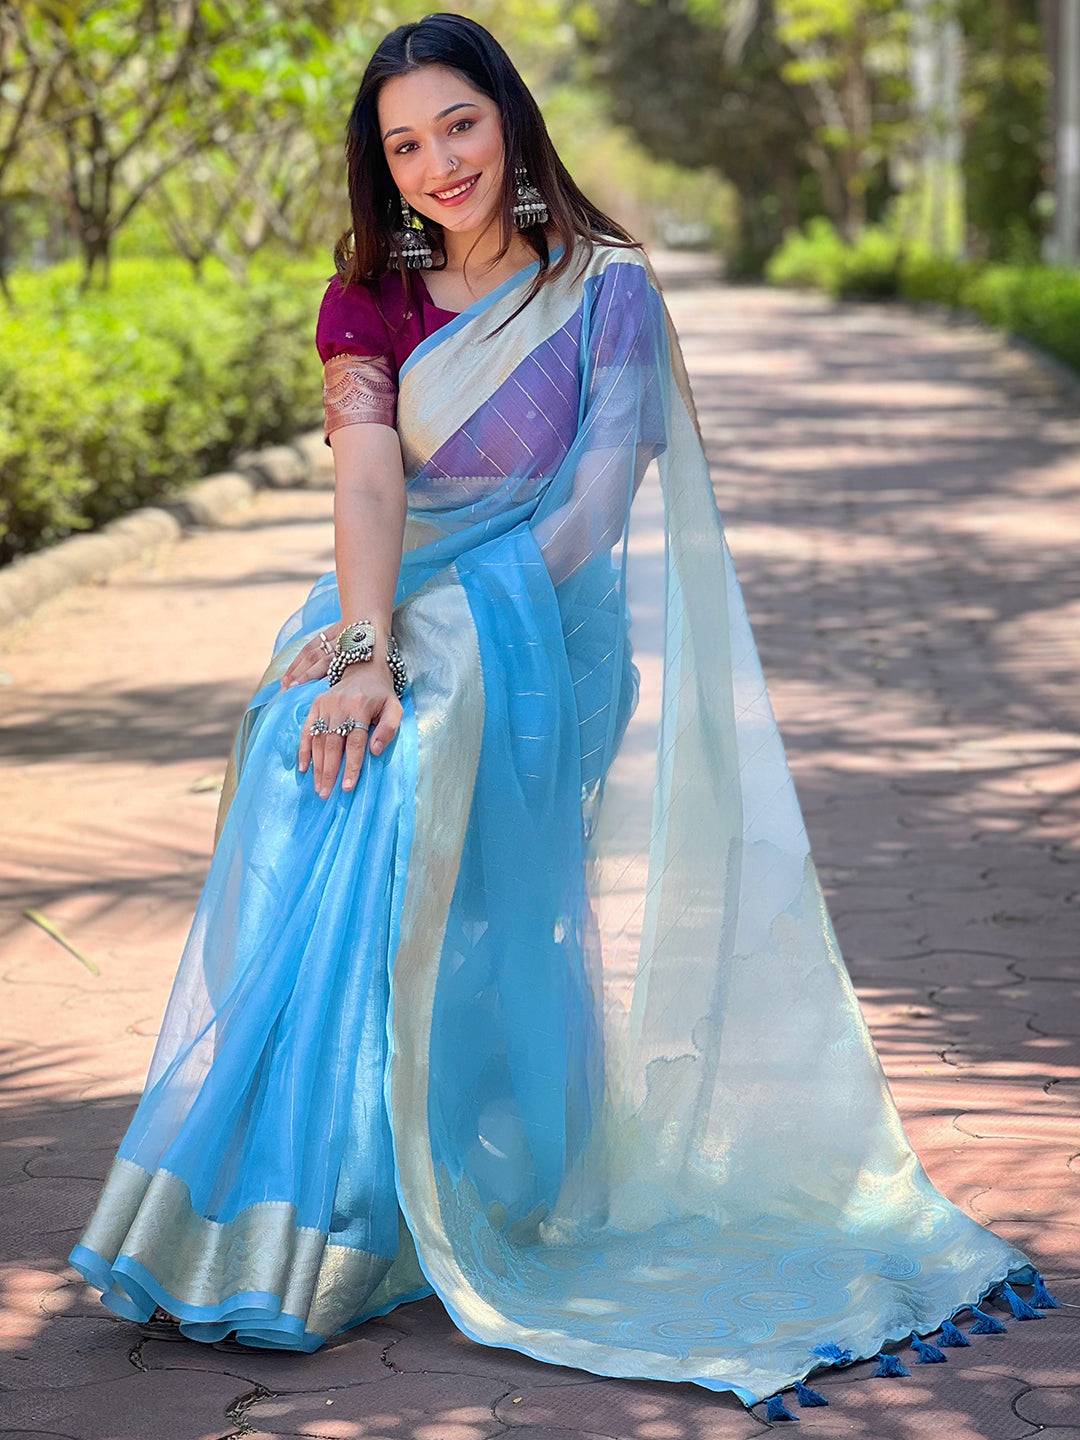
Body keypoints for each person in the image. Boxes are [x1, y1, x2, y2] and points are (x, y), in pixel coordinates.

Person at [67, 11, 1059, 1419]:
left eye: (457, 125)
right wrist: (365, 640)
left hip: (540, 635)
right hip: (386, 607)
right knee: (305, 760)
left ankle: (482, 1182)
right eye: (403, 144)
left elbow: (596, 506)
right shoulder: (369, 292)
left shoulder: (607, 291)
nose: (436, 163)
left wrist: (446, 638)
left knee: (441, 840)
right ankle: (313, 1195)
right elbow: (366, 482)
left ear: (510, 118)